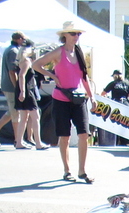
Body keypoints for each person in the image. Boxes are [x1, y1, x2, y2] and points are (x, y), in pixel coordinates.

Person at [33, 21, 95, 183]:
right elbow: (36, 65)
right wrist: (52, 76)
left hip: (78, 98)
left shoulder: (80, 53)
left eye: (78, 34)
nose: (76, 37)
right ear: (64, 36)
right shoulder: (58, 53)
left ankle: (82, 170)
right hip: (61, 98)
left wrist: (92, 97)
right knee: (65, 136)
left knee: (83, 134)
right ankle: (67, 170)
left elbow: (84, 77)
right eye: (73, 34)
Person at [0, 32, 27, 147]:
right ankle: (18, 140)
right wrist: (17, 87)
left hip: (7, 85)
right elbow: (11, 71)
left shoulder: (10, 49)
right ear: (18, 39)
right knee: (16, 113)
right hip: (10, 87)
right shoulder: (13, 51)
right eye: (23, 39)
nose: (24, 42)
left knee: (11, 111)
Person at [14, 45, 49, 150]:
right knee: (35, 116)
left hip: (22, 90)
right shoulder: (26, 61)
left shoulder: (20, 62)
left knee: (24, 117)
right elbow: (21, 75)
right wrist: (23, 91)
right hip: (27, 90)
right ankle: (38, 143)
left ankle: (19, 141)